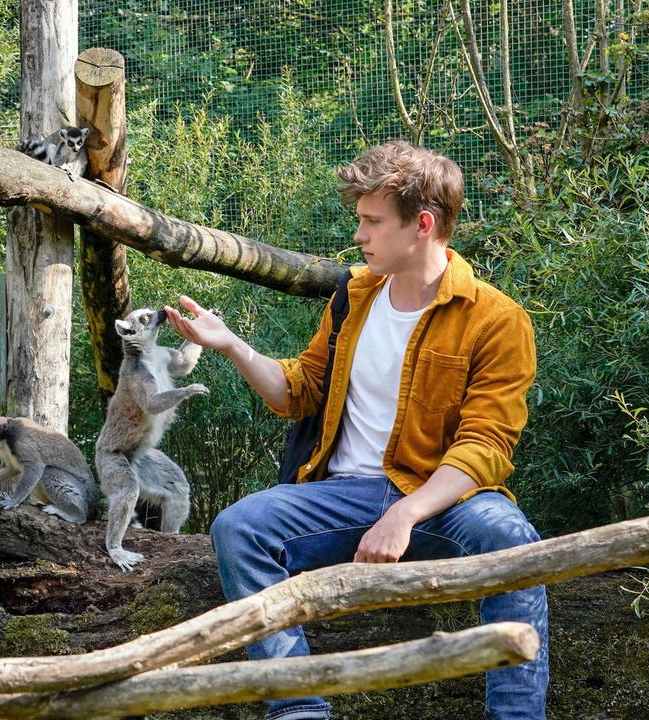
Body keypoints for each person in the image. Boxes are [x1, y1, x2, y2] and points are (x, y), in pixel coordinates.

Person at [165, 141, 548, 720]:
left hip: (443, 499)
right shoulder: (355, 295)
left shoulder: (496, 319)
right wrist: (230, 344)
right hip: (341, 496)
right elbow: (298, 391)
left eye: (371, 221)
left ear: (422, 224)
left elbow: (485, 447)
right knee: (239, 528)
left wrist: (406, 513)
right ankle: (298, 710)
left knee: (513, 540)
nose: (360, 235)